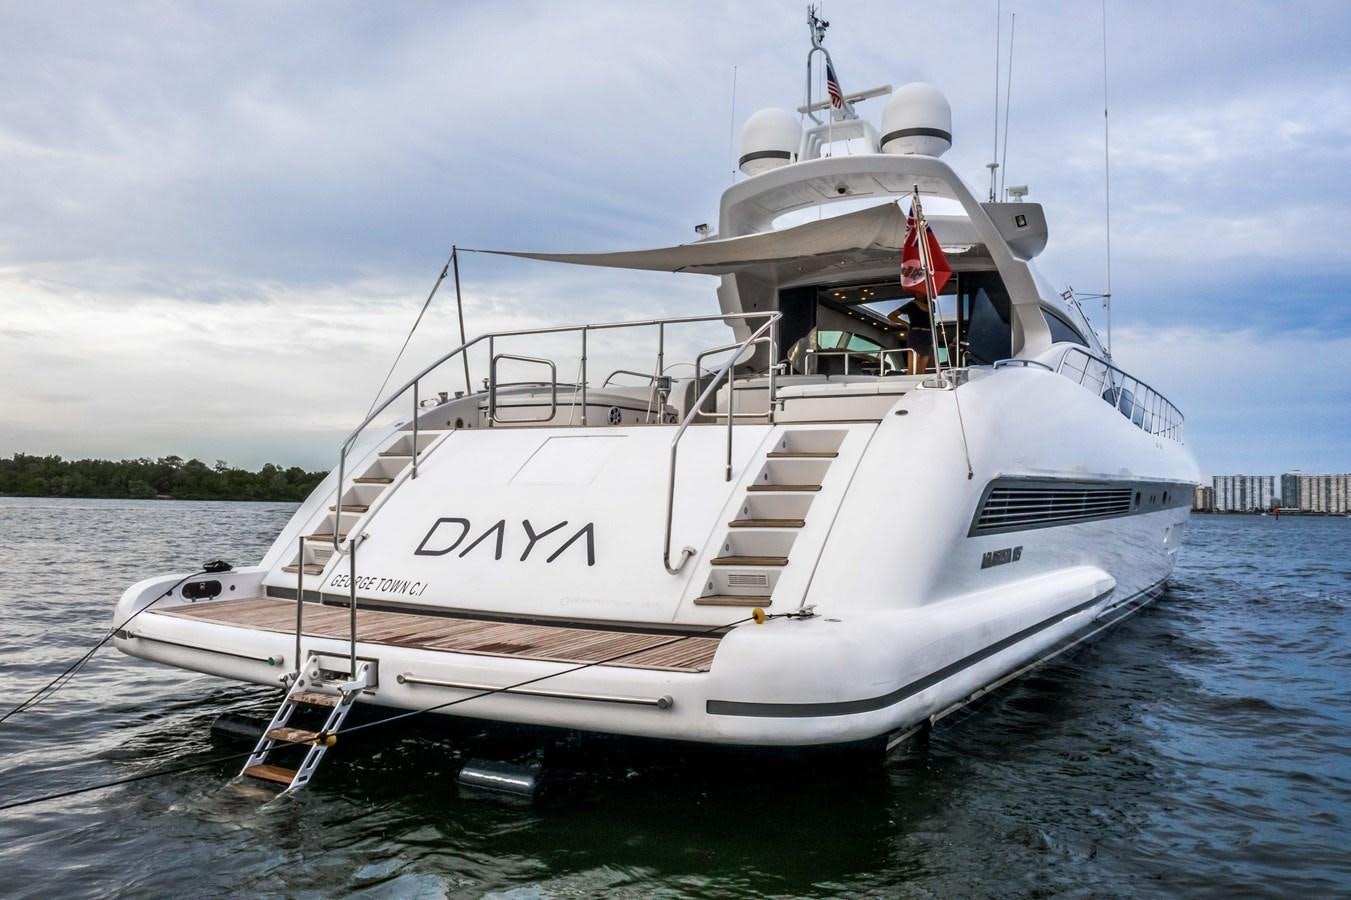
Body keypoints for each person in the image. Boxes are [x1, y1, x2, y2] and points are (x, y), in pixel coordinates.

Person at [888, 297, 935, 374]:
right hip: (915, 333)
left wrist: (916, 301)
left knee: (922, 368)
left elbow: (928, 309)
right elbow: (891, 316)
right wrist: (905, 324)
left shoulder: (930, 303)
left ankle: (918, 382)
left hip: (927, 334)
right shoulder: (910, 304)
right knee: (912, 368)